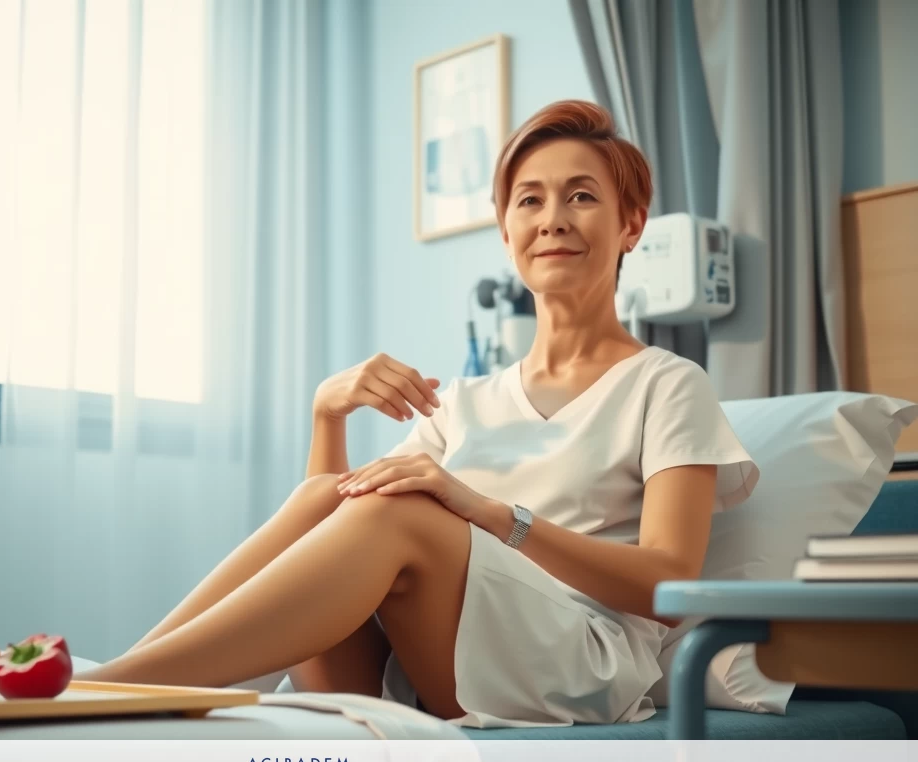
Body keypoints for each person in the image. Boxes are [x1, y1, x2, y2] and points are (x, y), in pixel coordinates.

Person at [77, 99, 759, 728]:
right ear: (506, 230)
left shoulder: (666, 384)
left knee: (401, 506)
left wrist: (491, 512)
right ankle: (114, 680)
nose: (552, 217)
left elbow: (669, 580)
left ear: (630, 225)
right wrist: (327, 419)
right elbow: (338, 519)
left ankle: (110, 692)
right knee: (340, 492)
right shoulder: (465, 401)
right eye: (529, 200)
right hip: (433, 656)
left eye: (581, 196)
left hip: (579, 658)